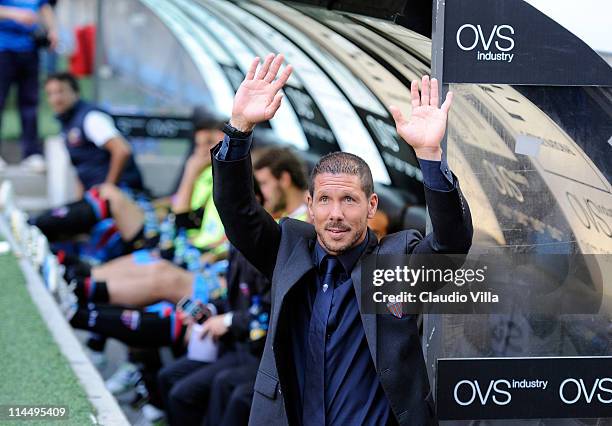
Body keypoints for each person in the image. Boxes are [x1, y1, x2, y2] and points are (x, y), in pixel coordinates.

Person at [212, 53, 473, 425]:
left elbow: (451, 244)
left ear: (371, 206)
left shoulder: (395, 264)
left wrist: (431, 156)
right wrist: (238, 129)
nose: (336, 213)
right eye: (325, 200)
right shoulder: (288, 249)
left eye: (349, 200)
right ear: (310, 205)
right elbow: (237, 211)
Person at [0, 0, 57, 172]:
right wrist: (15, 14)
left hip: (30, 49)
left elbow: (44, 6)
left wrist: (53, 29)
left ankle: (31, 153)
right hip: (3, 49)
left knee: (30, 103)